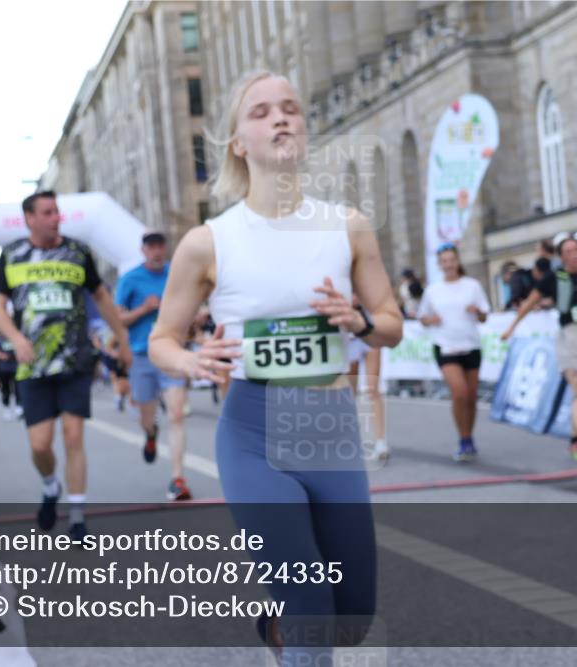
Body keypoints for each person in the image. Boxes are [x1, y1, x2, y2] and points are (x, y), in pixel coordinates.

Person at [147, 70, 402, 665]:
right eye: (261, 112)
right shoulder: (208, 242)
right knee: (312, 608)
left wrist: (359, 322)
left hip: (330, 426)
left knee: (352, 617)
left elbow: (391, 322)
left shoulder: (347, 225)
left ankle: (281, 622)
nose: (281, 118)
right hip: (254, 429)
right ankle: (296, 621)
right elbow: (162, 339)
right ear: (238, 141)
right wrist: (192, 359)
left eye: (291, 108)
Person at [0, 190, 130, 540]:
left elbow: (101, 296)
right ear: (30, 218)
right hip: (32, 366)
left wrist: (122, 339)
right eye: (48, 212)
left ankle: (78, 516)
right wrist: (17, 340)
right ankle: (51, 486)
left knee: (73, 436)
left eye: (58, 211)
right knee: (40, 445)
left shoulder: (78, 252)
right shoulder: (11, 255)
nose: (57, 218)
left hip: (74, 360)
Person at [501, 235, 577, 462]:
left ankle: (575, 441)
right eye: (569, 251)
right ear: (561, 256)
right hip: (571, 337)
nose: (575, 254)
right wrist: (512, 327)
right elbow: (529, 303)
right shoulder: (554, 278)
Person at [115, 230, 192, 502]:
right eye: (152, 247)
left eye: (161, 246)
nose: (157, 251)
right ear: (144, 250)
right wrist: (144, 309)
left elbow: (191, 303)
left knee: (177, 414)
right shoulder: (130, 279)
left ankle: (177, 478)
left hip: (172, 351)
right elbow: (119, 319)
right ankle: (150, 433)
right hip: (142, 355)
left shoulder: (177, 273)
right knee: (147, 416)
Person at [417, 243, 490, 461]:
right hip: (445, 346)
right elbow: (422, 318)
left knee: (471, 397)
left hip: (471, 345)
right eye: (445, 261)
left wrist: (477, 312)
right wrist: (432, 320)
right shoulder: (433, 290)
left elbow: (485, 315)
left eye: (452, 260)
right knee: (459, 393)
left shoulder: (472, 286)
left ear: (458, 261)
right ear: (440, 264)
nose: (449, 264)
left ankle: (469, 438)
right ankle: (463, 439)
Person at [346, 296, 388, 462]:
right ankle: (351, 439)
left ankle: (380, 442)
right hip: (346, 338)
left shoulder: (364, 274)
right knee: (349, 393)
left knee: (373, 389)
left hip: (369, 333)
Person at [0, 331, 22, 420]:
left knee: (18, 388)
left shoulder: (15, 337)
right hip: (3, 369)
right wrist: (1, 355)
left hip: (16, 368)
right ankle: (6, 408)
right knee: (5, 389)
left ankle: (19, 408)